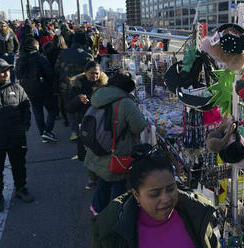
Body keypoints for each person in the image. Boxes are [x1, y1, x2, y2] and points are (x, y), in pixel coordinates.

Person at [90, 144, 220, 248]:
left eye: (170, 189)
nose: (166, 199)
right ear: (136, 195)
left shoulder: (196, 213)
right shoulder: (112, 230)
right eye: (155, 194)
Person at [84, 71, 147, 215]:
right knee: (118, 186)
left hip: (97, 148)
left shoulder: (99, 95)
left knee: (103, 181)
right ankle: (115, 214)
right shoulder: (125, 103)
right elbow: (139, 126)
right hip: (116, 154)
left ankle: (97, 209)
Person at [66, 61, 108, 189]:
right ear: (85, 73)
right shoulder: (77, 85)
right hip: (85, 124)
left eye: (97, 73)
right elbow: (69, 108)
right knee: (88, 152)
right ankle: (92, 178)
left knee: (102, 150)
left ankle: (102, 176)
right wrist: (78, 99)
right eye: (91, 73)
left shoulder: (104, 84)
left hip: (101, 123)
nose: (94, 76)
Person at [0, 59, 34, 211]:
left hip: (16, 136)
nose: (5, 73)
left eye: (7, 70)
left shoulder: (17, 88)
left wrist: (25, 125)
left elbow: (26, 106)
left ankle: (21, 188)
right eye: (2, 71)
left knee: (19, 165)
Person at [16, 38, 58, 142]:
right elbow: (50, 73)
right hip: (43, 88)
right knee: (53, 110)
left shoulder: (20, 60)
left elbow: (18, 75)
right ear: (35, 46)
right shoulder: (40, 58)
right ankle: (47, 131)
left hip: (29, 90)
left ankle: (42, 133)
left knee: (37, 111)